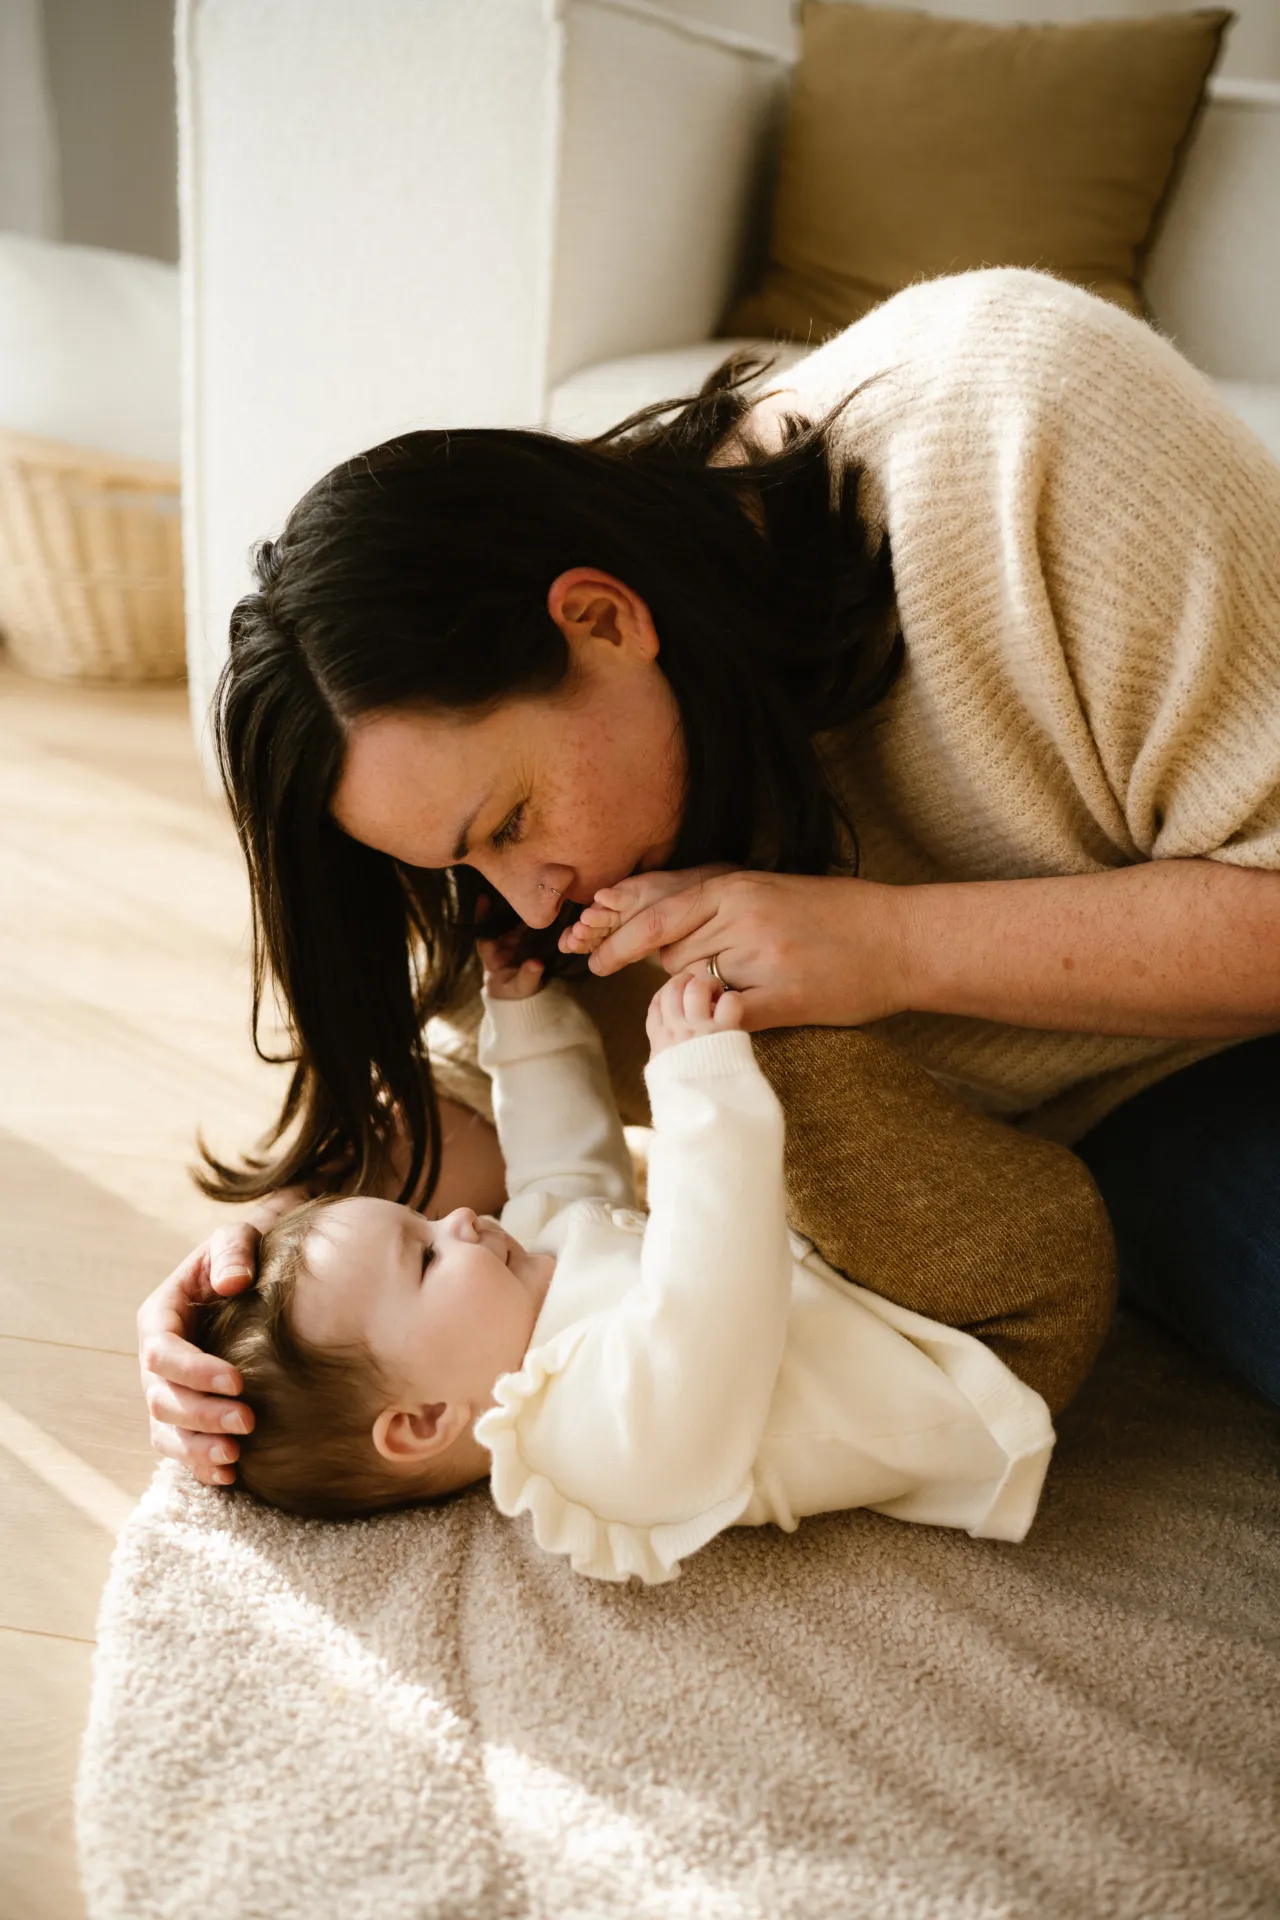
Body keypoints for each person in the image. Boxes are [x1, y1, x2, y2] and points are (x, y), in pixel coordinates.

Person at [138, 266, 1280, 1489]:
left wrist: (892, 948)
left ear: (604, 621)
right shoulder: (544, 853)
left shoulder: (1019, 432)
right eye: (467, 862)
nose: (528, 899)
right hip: (1013, 1177)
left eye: (513, 819)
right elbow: (488, 1100)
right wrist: (268, 1299)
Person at [194, 953, 1057, 1579]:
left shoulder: (521, 1278)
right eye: (423, 1258)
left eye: (422, 1219)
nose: (458, 1217)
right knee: (774, 1060)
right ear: (422, 1422)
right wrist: (696, 1092)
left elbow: (560, 1165)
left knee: (775, 1038)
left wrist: (526, 1020)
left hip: (870, 1282)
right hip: (984, 1353)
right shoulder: (593, 1448)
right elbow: (711, 1305)